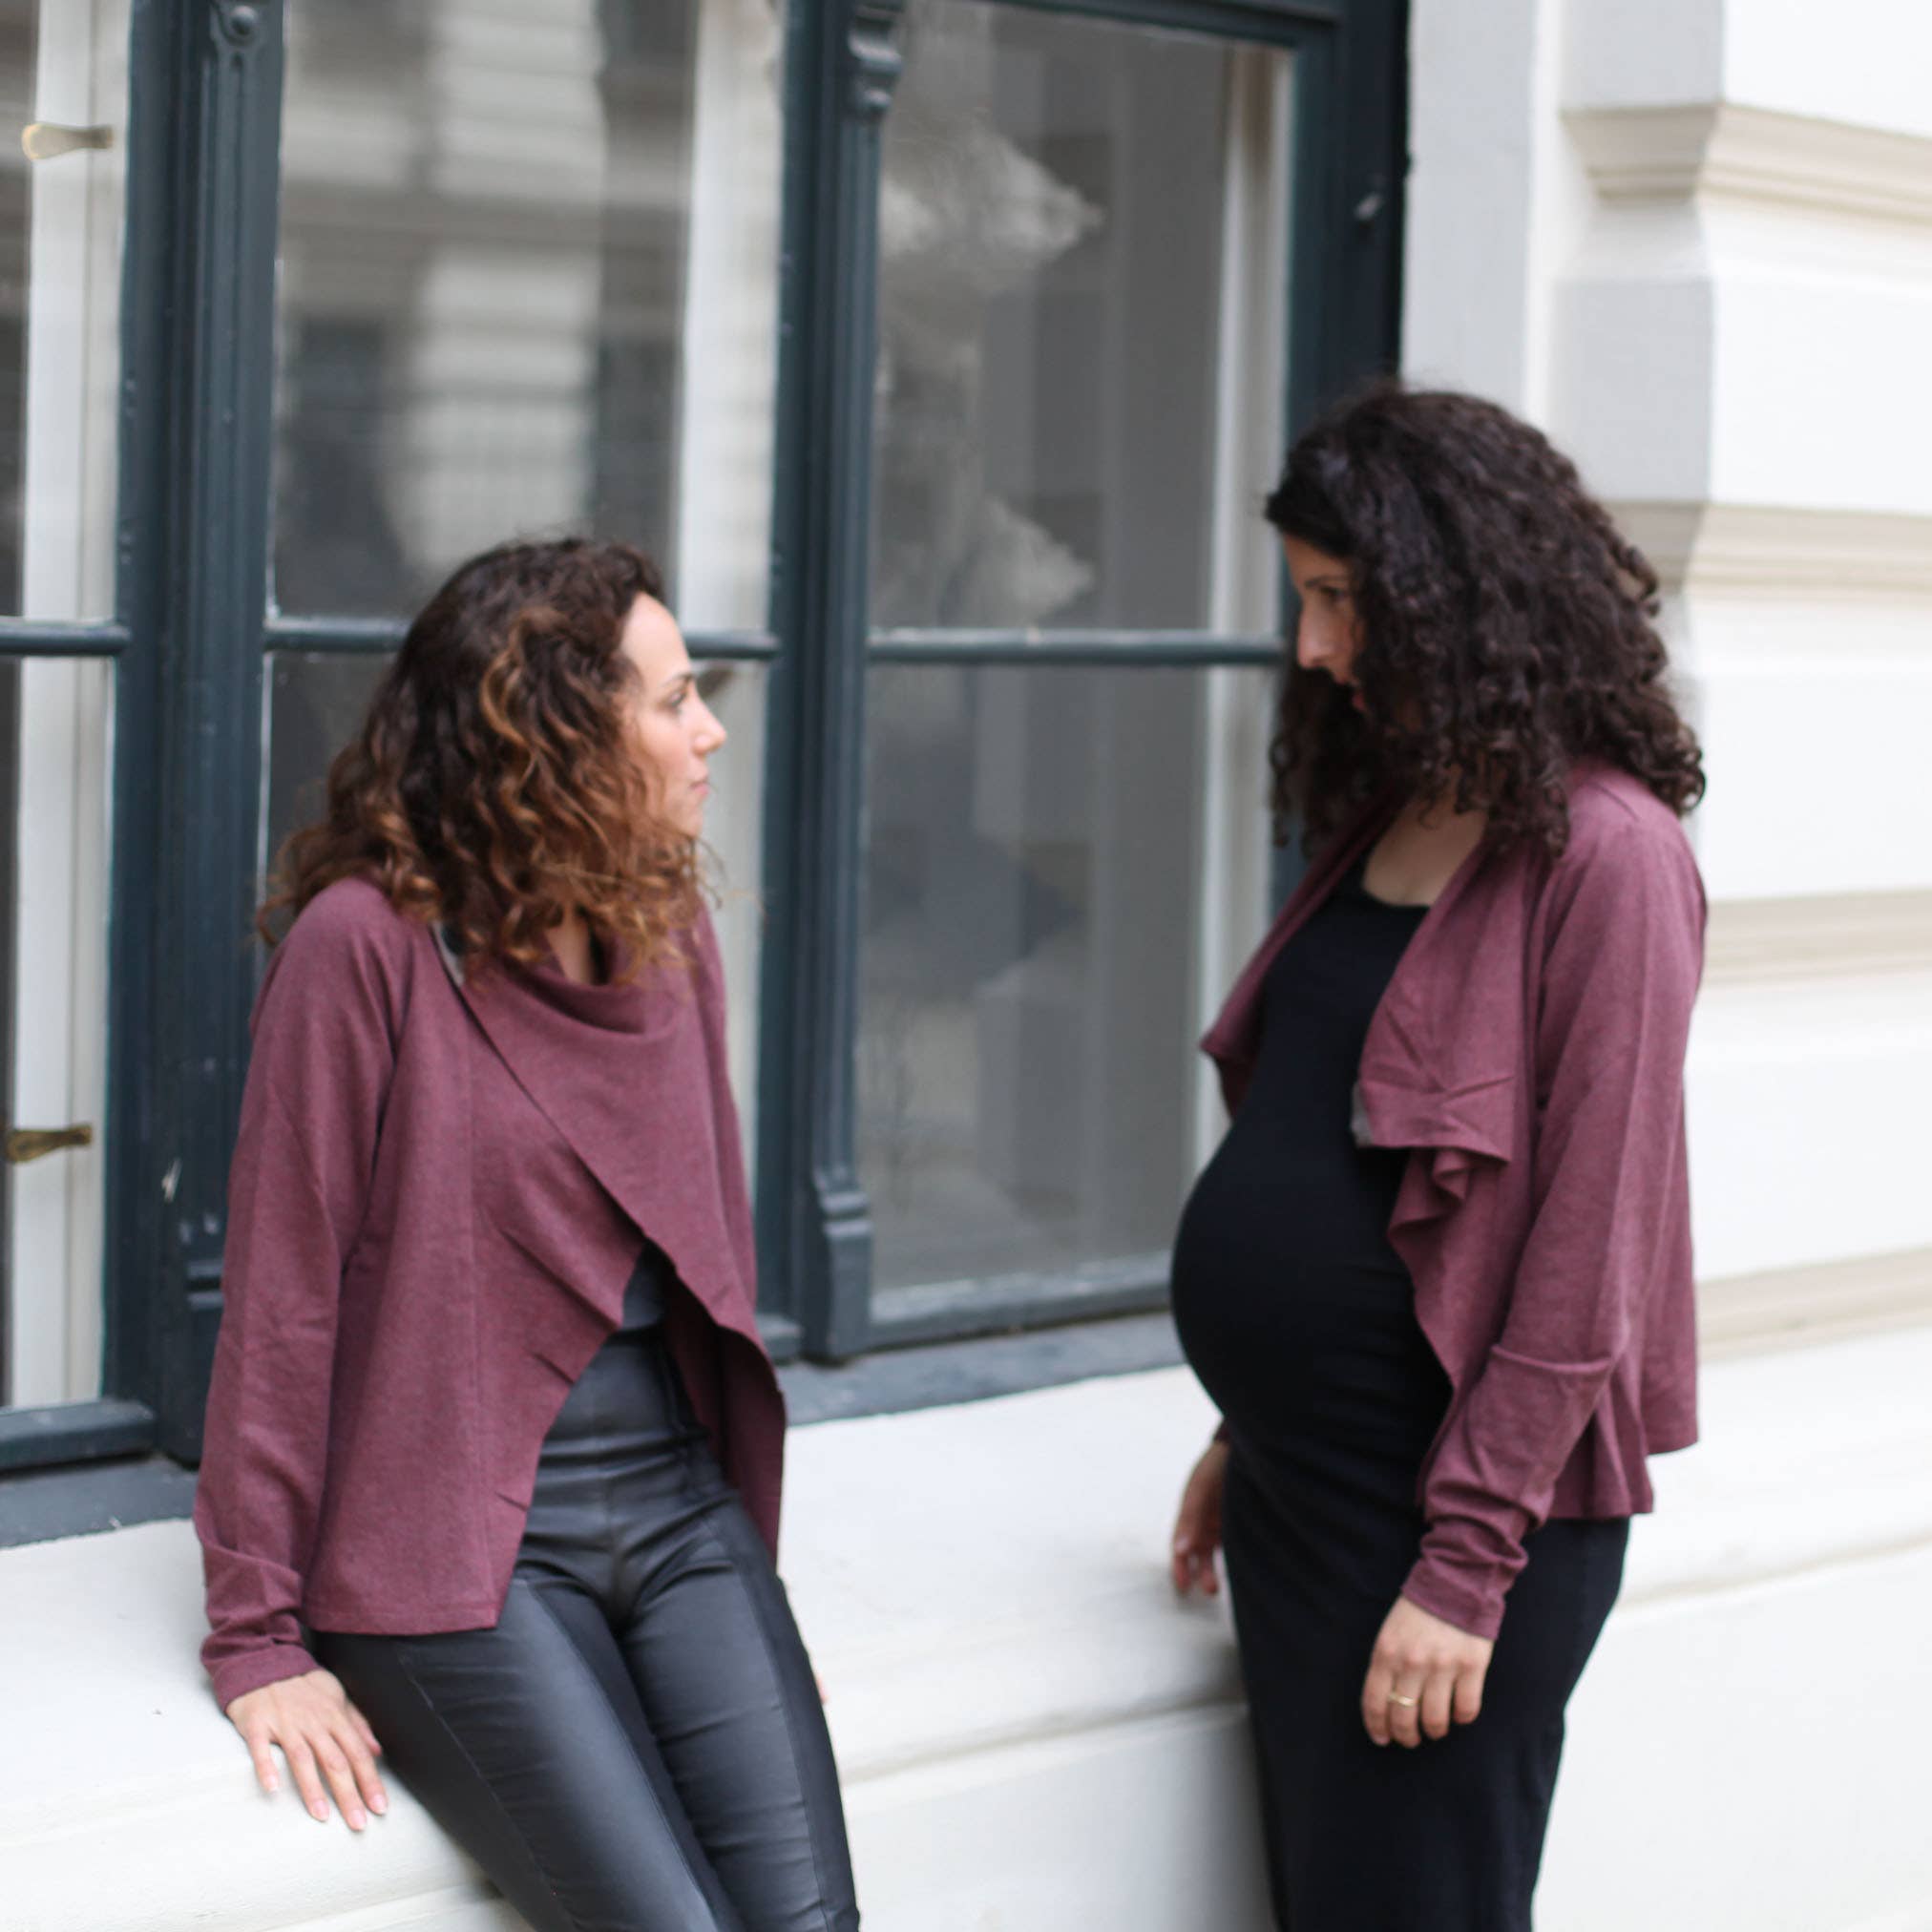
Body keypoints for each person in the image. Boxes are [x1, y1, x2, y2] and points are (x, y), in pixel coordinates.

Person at [195, 538, 861, 1932]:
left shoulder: (669, 928)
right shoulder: (363, 946)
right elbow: (281, 1303)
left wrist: (737, 1548)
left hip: (679, 1505)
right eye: (673, 700)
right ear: (553, 734)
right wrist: (259, 1639)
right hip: (455, 1543)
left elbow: (714, 1250)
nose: (710, 730)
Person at [1167, 385, 1707, 1930]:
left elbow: (1584, 1259)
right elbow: (1324, 1143)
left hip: (1451, 1532)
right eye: (1303, 600)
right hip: (1306, 1499)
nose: (1312, 647)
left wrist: (1465, 1571)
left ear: (1452, 593)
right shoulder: (1401, 811)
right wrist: (1247, 1430)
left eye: (1342, 599)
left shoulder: (1610, 856)